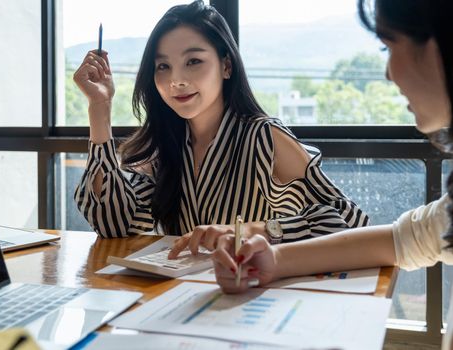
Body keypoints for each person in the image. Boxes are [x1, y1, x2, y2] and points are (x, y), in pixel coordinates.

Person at [212, 0, 453, 346]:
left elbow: (343, 216)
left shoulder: (264, 135)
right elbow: (404, 238)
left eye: (388, 46)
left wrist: (271, 231)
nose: (387, 73)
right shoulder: (164, 147)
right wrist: (275, 259)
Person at [73, 0, 369, 257]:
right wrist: (100, 107)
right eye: (163, 66)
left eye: (194, 61)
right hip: (178, 300)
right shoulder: (165, 144)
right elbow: (112, 224)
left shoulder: (262, 137)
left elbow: (350, 223)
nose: (176, 79)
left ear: (226, 66)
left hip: (252, 299)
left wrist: (254, 231)